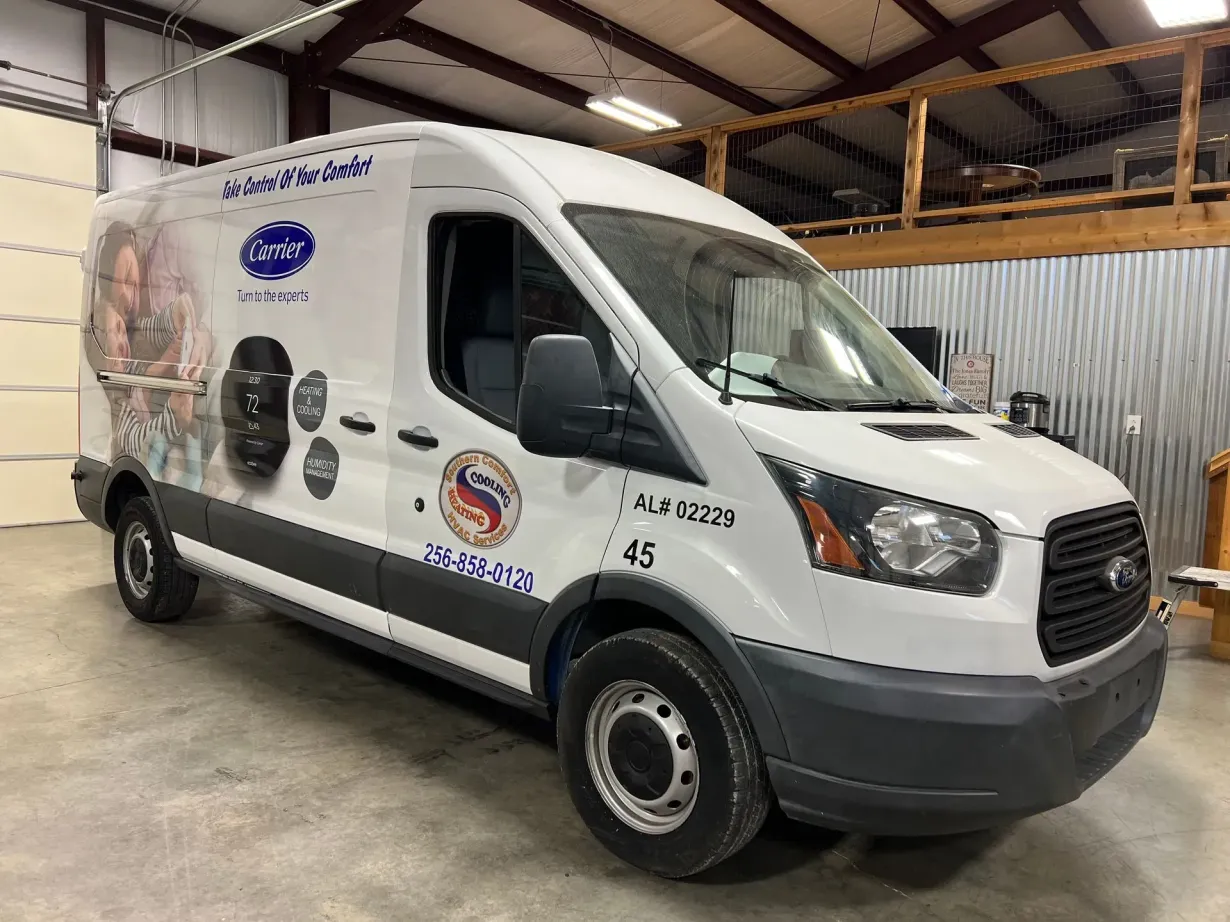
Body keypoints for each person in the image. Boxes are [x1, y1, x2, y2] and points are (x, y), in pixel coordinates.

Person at [93, 221, 210, 476]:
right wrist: (174, 413)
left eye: (127, 276)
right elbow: (140, 438)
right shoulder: (119, 402)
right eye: (114, 332)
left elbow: (155, 328)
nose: (127, 297)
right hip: (167, 440)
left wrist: (177, 313)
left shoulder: (132, 347)